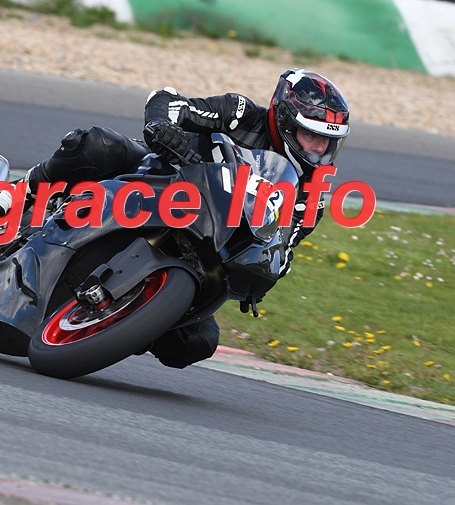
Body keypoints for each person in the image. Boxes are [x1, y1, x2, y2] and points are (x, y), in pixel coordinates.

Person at [18, 68, 351, 368]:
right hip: (164, 180)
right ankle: (21, 193)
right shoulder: (241, 114)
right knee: (99, 145)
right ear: (285, 123)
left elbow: (280, 247)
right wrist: (162, 126)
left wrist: (267, 264)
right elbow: (167, 99)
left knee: (197, 342)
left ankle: (120, 318)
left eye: (327, 141)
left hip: (208, 244)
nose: (318, 149)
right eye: (311, 136)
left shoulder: (311, 198)